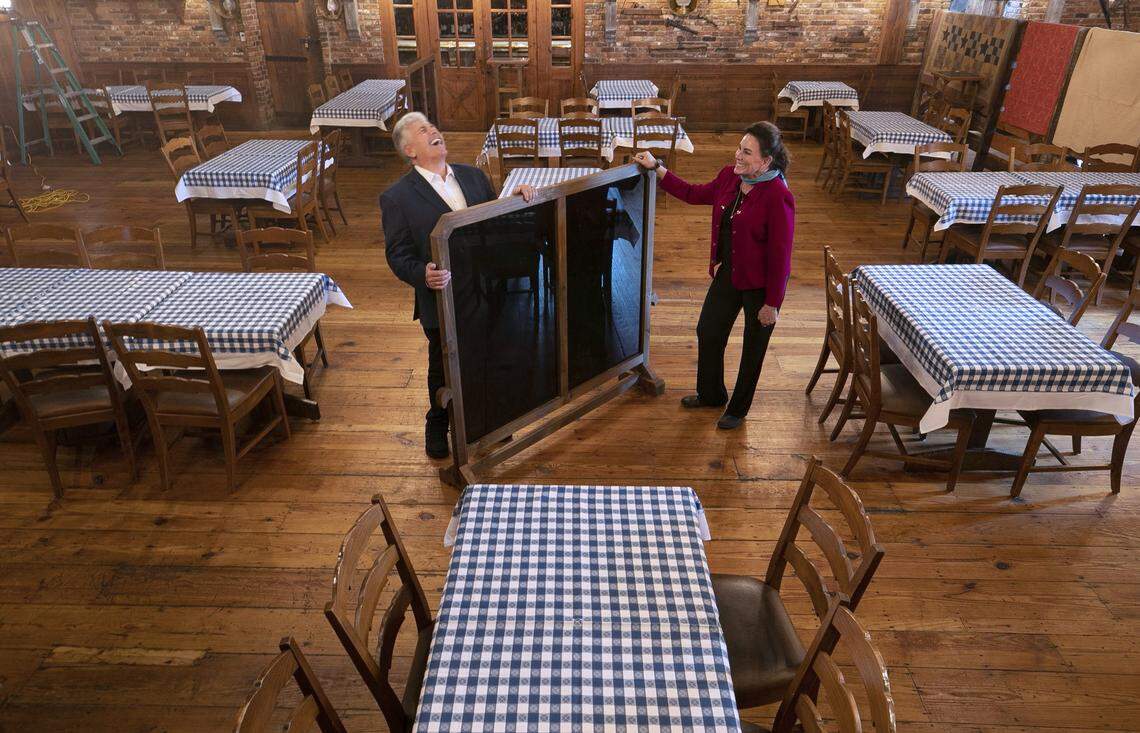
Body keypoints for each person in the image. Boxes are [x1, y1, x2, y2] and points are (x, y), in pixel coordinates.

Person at [380, 112, 535, 458]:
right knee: (443, 365)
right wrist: (423, 274)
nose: (434, 130)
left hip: (486, 290)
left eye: (433, 126)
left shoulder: (473, 176)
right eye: (424, 130)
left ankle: (487, 421)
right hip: (441, 298)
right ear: (410, 150)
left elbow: (496, 220)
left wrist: (518, 198)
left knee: (488, 355)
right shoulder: (397, 198)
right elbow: (397, 254)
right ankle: (437, 422)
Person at [633, 121, 794, 430]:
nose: (738, 156)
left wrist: (772, 303)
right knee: (708, 331)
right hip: (729, 273)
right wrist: (658, 168)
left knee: (752, 350)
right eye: (739, 148)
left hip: (762, 286)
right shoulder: (729, 177)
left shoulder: (778, 195)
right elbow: (694, 194)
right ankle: (711, 395)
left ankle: (738, 409)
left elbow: (781, 257)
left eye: (747, 152)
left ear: (766, 161)